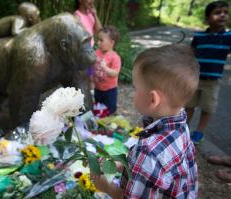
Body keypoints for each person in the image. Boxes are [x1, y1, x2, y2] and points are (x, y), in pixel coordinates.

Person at [91, 45, 199, 198]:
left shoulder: (149, 152)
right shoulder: (181, 125)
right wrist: (120, 166)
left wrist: (106, 187)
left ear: (152, 99)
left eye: (136, 88)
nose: (134, 92)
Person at [186, 1, 231, 144]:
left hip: (213, 81)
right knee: (189, 105)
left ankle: (199, 132)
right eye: (218, 12)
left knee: (208, 107)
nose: (223, 15)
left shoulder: (229, 37)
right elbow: (190, 54)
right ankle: (184, 129)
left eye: (225, 12)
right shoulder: (199, 36)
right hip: (195, 78)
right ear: (207, 18)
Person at [93, 26, 121, 115]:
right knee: (98, 107)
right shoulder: (96, 53)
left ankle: (110, 122)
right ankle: (100, 121)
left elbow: (115, 73)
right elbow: (91, 66)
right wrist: (89, 75)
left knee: (110, 109)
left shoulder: (115, 57)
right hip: (98, 88)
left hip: (110, 90)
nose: (98, 42)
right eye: (98, 40)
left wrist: (105, 68)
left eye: (101, 40)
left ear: (112, 43)